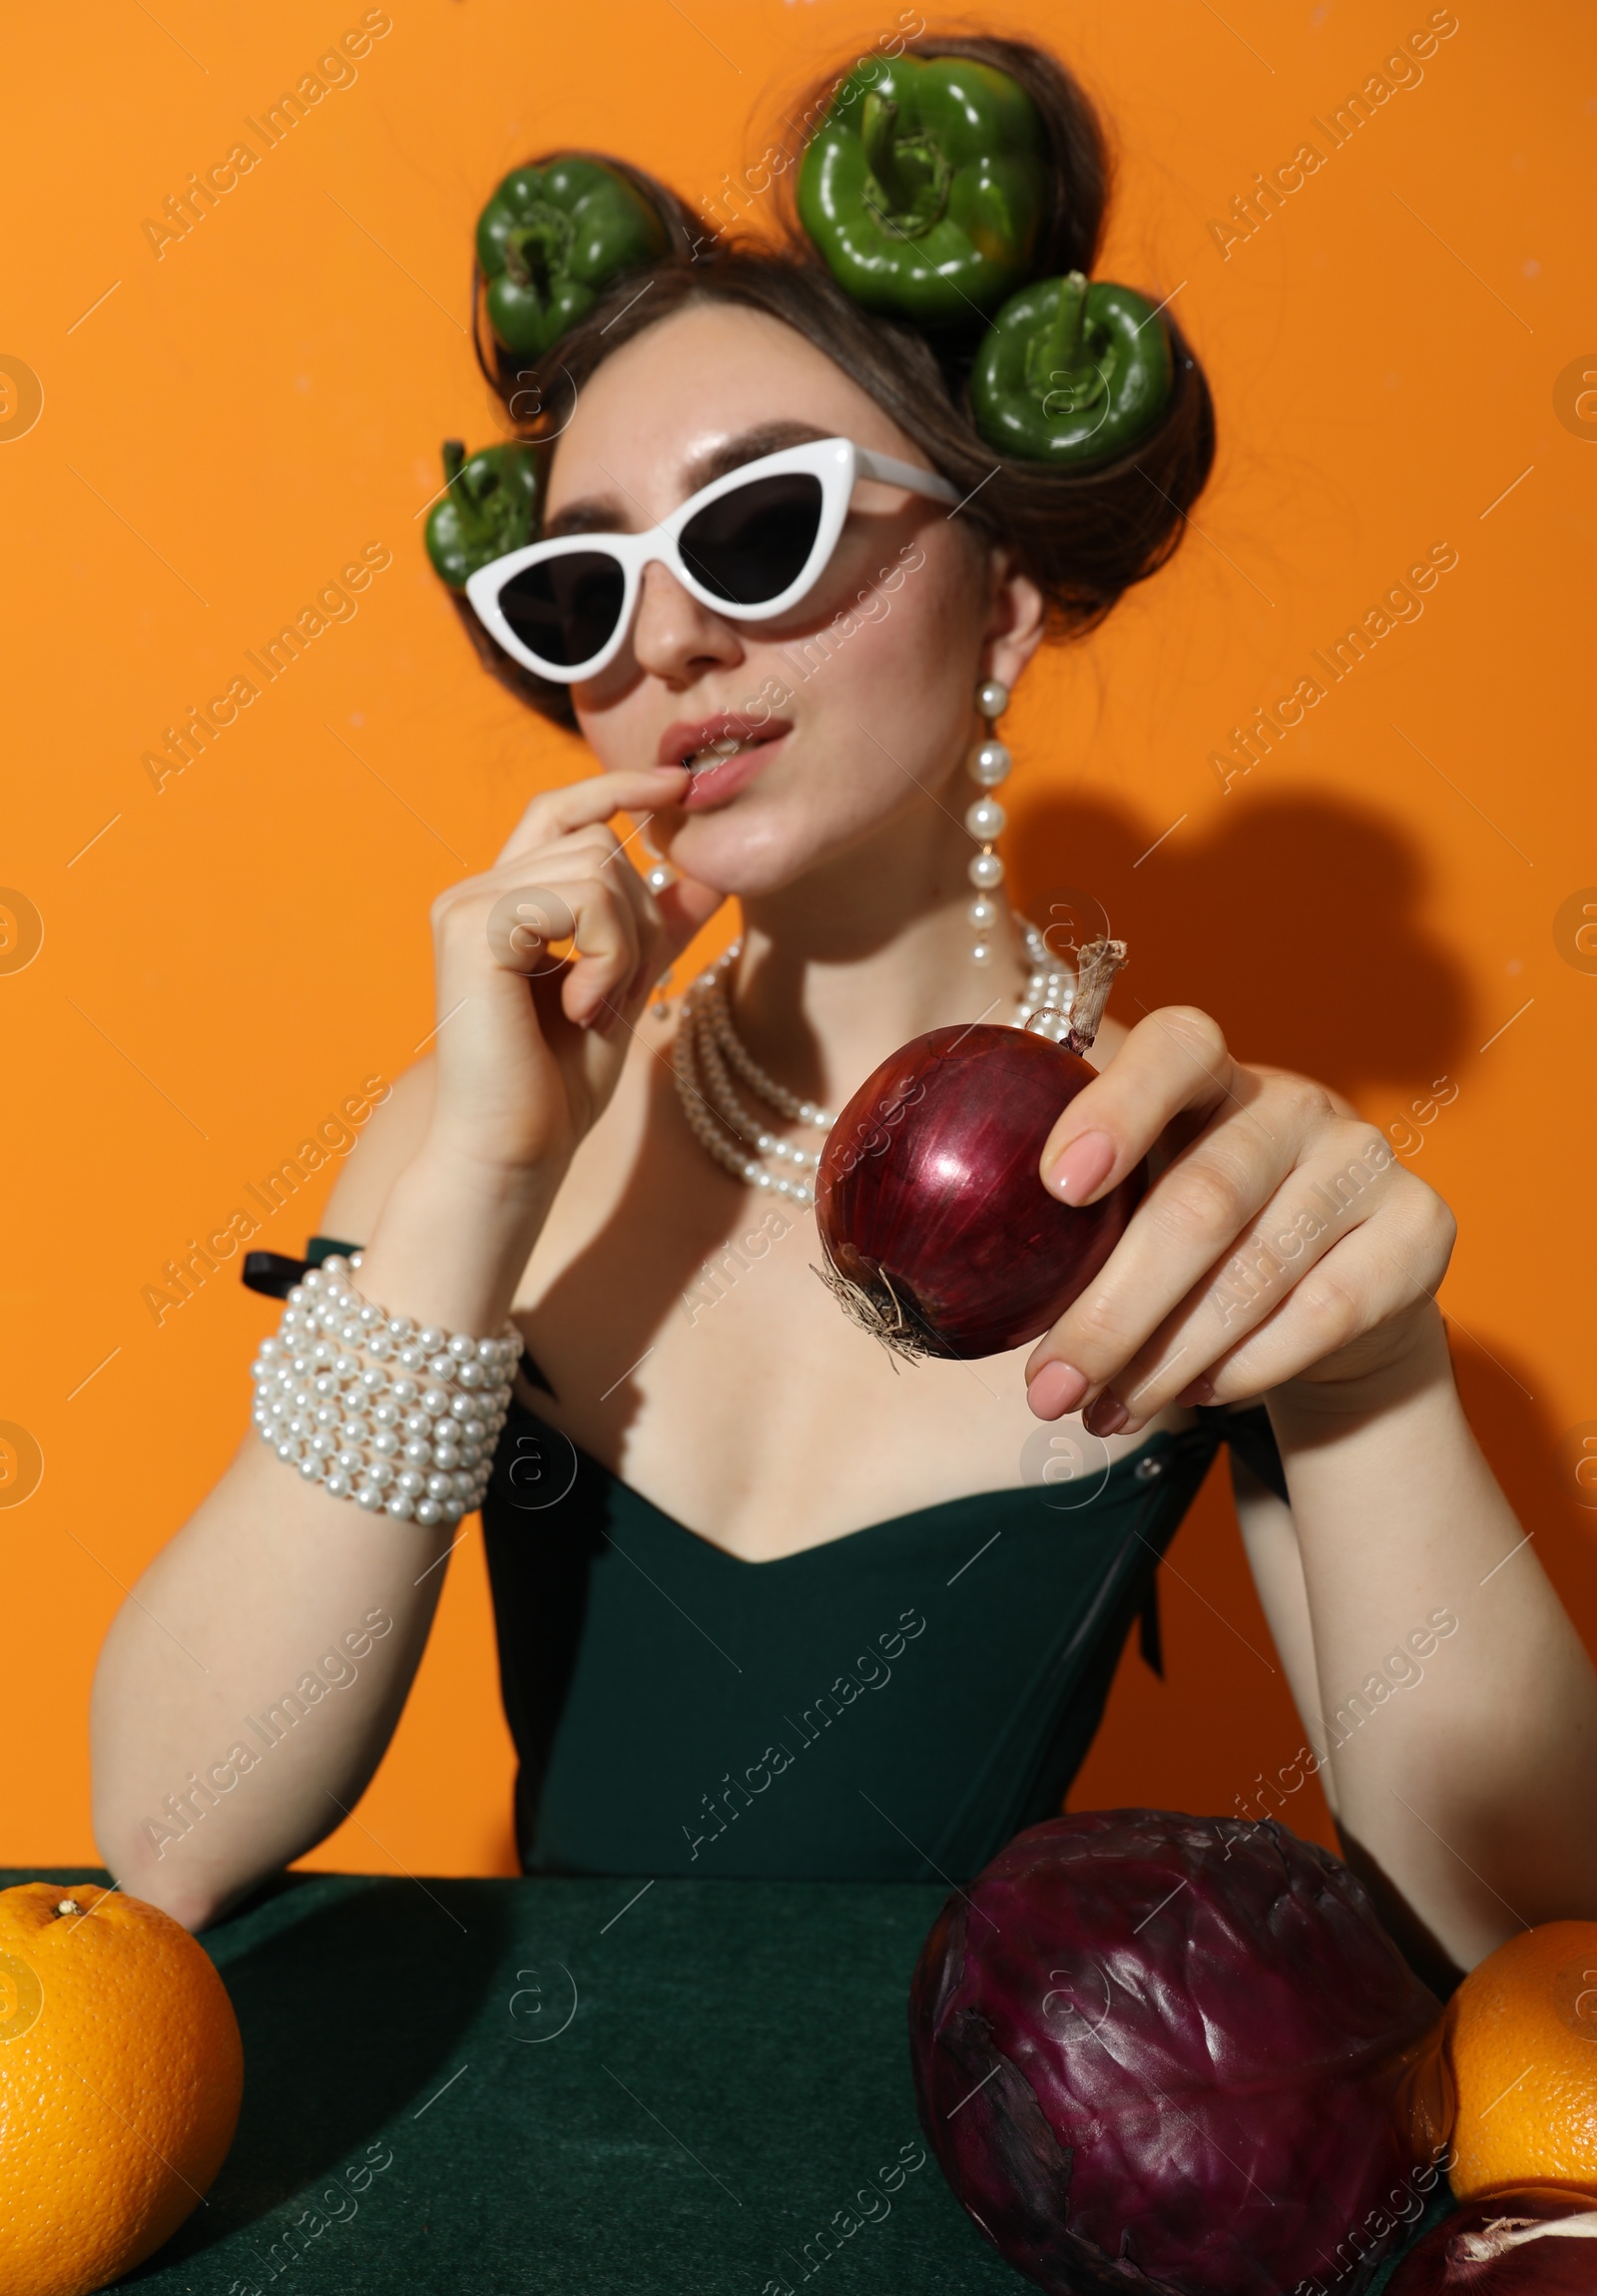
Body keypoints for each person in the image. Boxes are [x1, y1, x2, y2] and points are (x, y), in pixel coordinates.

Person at [90, 33, 1597, 1984]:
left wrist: (1365, 1369)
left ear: (1003, 597)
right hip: (536, 2197)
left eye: (755, 528)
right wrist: (473, 1171)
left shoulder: (1180, 1183)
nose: (667, 639)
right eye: (579, 588)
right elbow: (168, 1832)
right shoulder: (489, 1138)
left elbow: (1533, 1933)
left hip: (973, 2215)